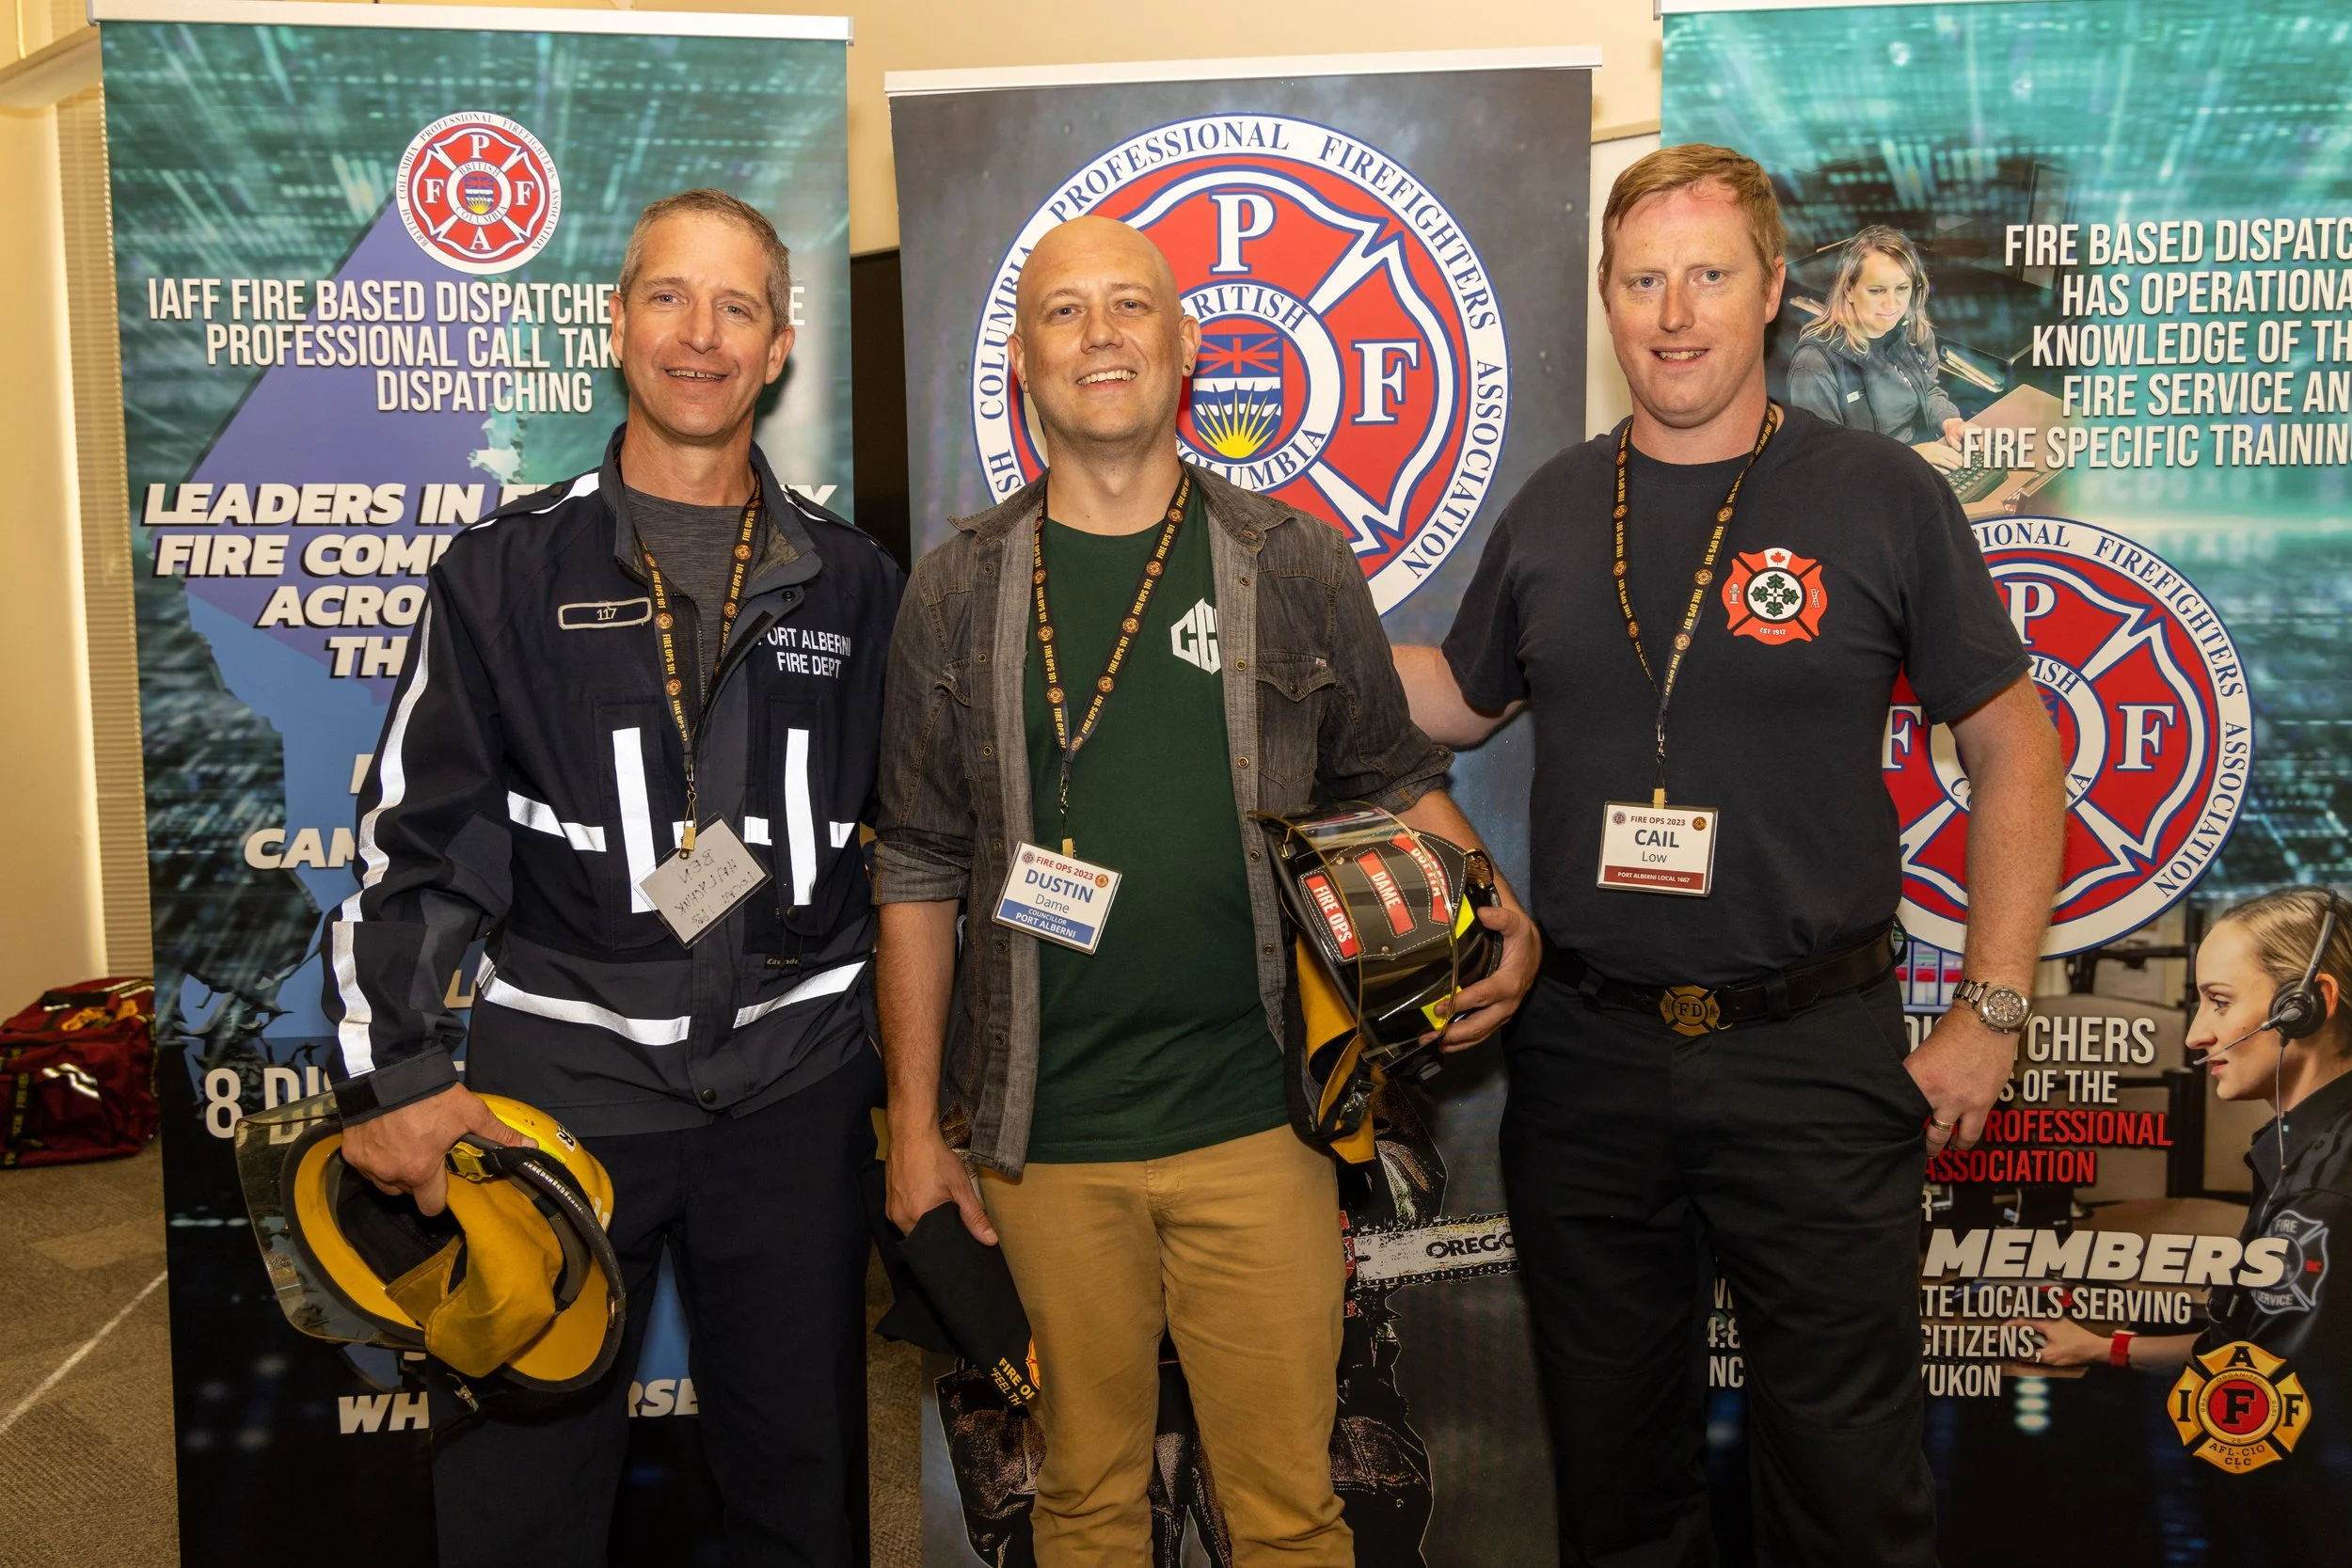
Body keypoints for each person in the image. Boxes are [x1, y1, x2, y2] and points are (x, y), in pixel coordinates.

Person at [1391, 144, 2067, 1566]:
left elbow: (2018, 746)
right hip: (1586, 1060)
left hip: (1811, 1054)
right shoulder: (1556, 504)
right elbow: (1455, 698)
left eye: (1708, 275)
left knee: (1847, 1487)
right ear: (1608, 298)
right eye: (1643, 280)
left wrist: (1994, 1007)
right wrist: (1283, 620)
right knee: (1616, 1485)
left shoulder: (1878, 493)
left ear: (1771, 292)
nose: (1675, 313)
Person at [871, 214, 1535, 1566]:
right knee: (1082, 1501)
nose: (1100, 334)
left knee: (1288, 1507)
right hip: (1043, 1136)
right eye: (1064, 310)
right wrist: (916, 1129)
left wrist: (1495, 906)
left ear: (1185, 346)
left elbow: (1392, 772)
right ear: (1022, 361)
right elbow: (919, 864)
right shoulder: (955, 590)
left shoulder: (1293, 559)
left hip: (1259, 1122)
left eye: (1130, 304)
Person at [323, 188, 902, 1567]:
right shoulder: (501, 574)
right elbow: (417, 843)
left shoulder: (859, 584)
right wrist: (395, 1073)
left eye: (737, 306)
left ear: (779, 347)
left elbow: (921, 848)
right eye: (668, 296)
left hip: (793, 1100)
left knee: (802, 1488)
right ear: (615, 323)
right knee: (519, 1501)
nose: (701, 335)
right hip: (556, 1107)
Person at [2012, 885, 2351, 1387]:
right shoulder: (2306, 1149)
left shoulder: (2321, 1193)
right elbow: (2249, 1345)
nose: (2195, 1035)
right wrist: (2103, 1348)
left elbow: (2271, 1398)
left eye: (2220, 1002)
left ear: (2308, 1005)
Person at [1786, 225, 1968, 468]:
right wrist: (1907, 457)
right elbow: (1824, 459)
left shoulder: (1913, 332)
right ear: (1849, 290)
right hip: (1867, 478)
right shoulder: (1814, 364)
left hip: (1922, 461)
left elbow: (1929, 391)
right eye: (1876, 290)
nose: (1891, 304)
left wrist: (1949, 421)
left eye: (1902, 288)